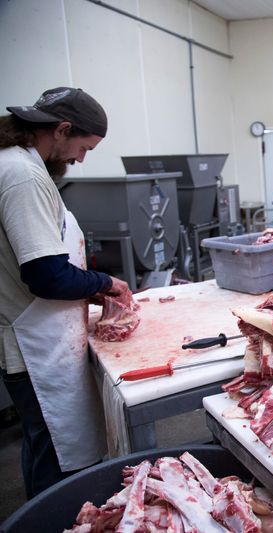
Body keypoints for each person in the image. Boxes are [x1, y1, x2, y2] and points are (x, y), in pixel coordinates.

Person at [0, 87, 131, 498]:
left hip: (42, 334)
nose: (80, 158)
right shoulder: (22, 175)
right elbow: (45, 275)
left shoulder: (17, 165)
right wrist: (105, 284)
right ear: (61, 129)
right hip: (35, 345)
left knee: (44, 445)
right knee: (57, 455)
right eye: (83, 147)